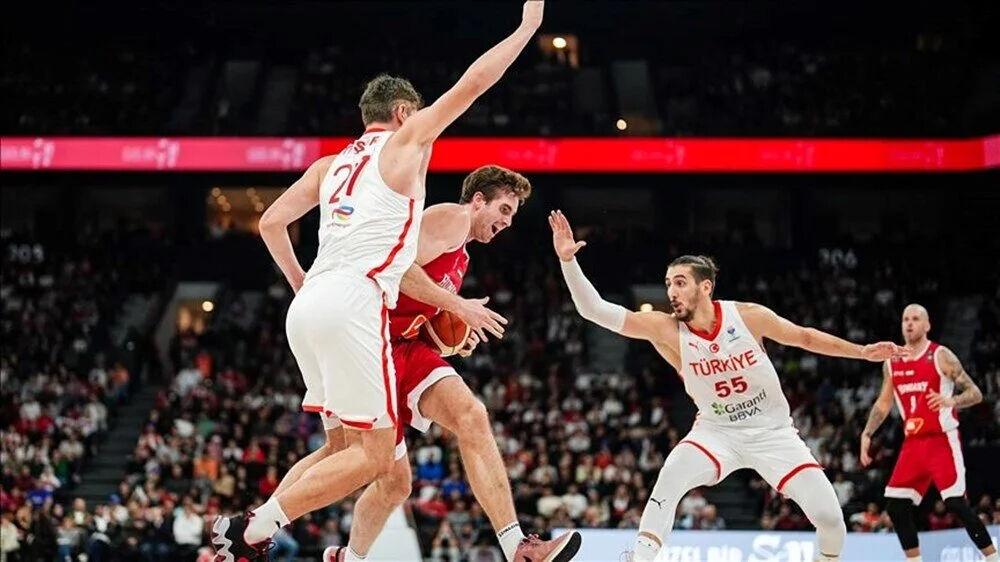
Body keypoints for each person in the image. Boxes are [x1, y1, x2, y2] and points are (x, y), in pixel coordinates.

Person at [212, 2, 546, 561]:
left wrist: (301, 283)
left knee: (352, 452)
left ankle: (273, 535)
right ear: (401, 111)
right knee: (373, 458)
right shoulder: (404, 144)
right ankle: (250, 528)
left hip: (311, 302)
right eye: (415, 113)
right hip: (355, 303)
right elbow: (474, 83)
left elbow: (271, 222)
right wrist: (527, 28)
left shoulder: (330, 165)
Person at [547, 210, 906, 562]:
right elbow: (594, 310)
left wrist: (862, 352)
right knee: (669, 479)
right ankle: (639, 558)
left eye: (680, 282)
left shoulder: (748, 316)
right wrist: (568, 262)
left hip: (773, 434)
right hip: (716, 432)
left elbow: (805, 338)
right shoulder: (666, 328)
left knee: (831, 520)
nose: (671, 291)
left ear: (706, 286)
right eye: (669, 283)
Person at [325, 166, 580, 561]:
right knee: (375, 475)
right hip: (370, 343)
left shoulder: (461, 253)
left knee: (470, 417)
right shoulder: (450, 218)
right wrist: (458, 306)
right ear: (478, 200)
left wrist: (453, 339)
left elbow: (423, 314)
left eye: (512, 216)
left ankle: (517, 547)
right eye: (505, 210)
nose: (507, 223)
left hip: (403, 345)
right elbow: (397, 268)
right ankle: (263, 525)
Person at [859, 304, 996, 562]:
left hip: (941, 439)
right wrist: (867, 433)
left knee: (956, 503)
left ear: (927, 325)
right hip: (913, 444)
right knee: (896, 506)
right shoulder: (892, 362)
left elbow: (975, 393)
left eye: (915, 319)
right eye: (905, 319)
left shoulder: (941, 355)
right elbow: (883, 403)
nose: (909, 323)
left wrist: (951, 401)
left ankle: (993, 557)